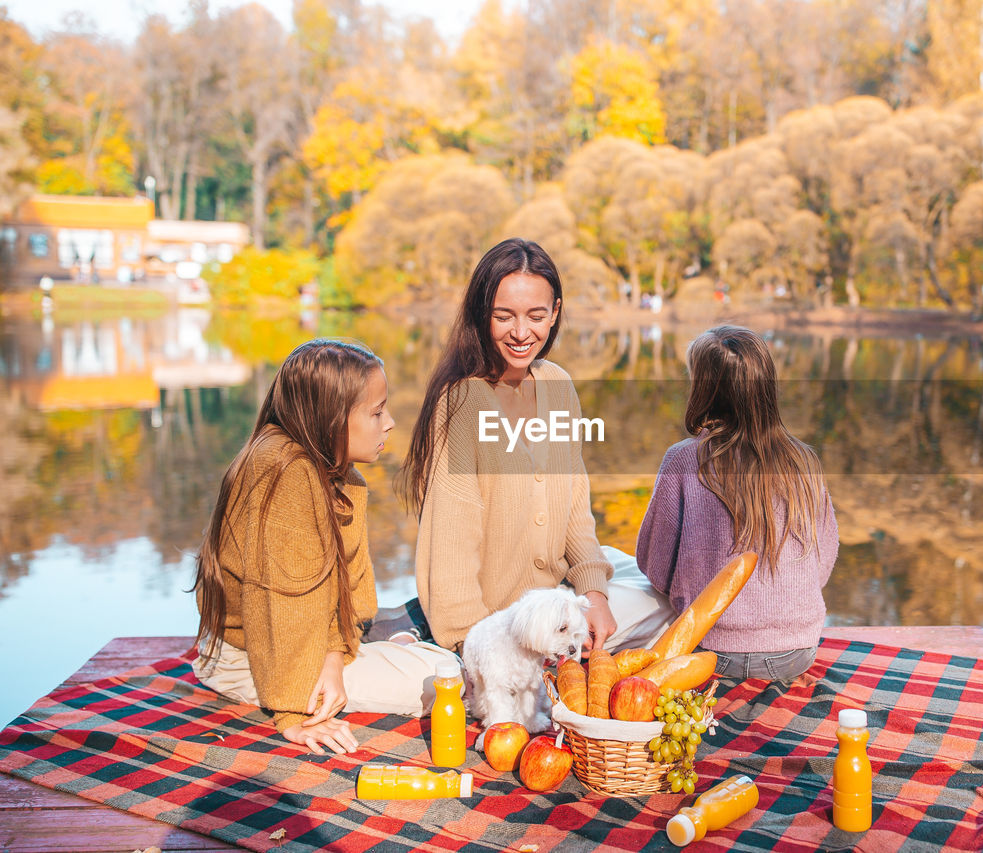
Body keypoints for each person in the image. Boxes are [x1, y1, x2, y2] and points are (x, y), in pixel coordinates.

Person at [398, 237, 672, 655]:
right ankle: (415, 634)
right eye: (503, 316)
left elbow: (576, 515)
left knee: (666, 601)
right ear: (482, 314)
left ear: (555, 313)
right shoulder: (462, 403)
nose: (522, 333)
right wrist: (473, 646)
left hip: (557, 600)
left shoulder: (558, 385)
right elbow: (451, 546)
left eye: (536, 315)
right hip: (496, 622)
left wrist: (594, 596)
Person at [192, 339, 458, 755]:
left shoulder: (337, 472)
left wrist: (336, 653)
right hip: (263, 662)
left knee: (426, 626)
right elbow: (275, 604)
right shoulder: (284, 474)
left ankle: (397, 641)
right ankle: (402, 645)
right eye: (376, 412)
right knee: (448, 677)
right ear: (332, 419)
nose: (389, 422)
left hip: (306, 644)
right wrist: (295, 714)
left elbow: (352, 588)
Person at [636, 325, 838, 683]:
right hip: (798, 651)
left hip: (712, 651)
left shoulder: (683, 460)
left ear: (702, 390)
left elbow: (654, 566)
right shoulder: (805, 461)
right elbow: (823, 563)